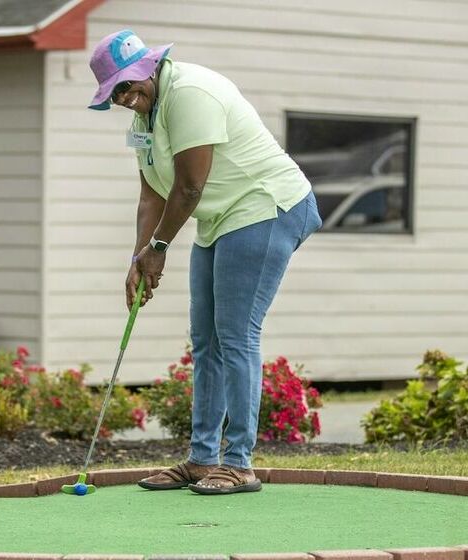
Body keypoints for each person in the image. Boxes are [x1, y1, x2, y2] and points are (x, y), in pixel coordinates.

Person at [88, 30, 322, 495]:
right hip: (221, 218)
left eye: (129, 87)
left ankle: (238, 463)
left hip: (266, 206)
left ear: (149, 69)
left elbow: (190, 187)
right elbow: (152, 193)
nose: (125, 99)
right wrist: (139, 257)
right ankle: (201, 458)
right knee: (205, 338)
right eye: (115, 94)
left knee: (236, 333)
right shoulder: (143, 119)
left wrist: (159, 250)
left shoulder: (190, 93)